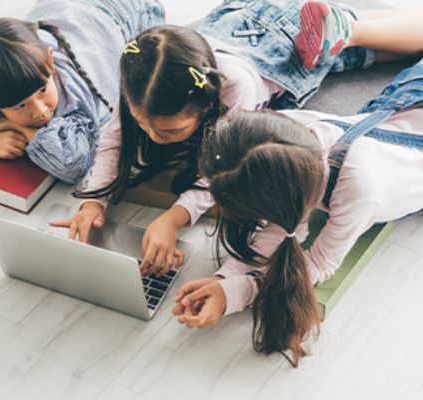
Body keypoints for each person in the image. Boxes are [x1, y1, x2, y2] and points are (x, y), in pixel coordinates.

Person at [53, 0, 423, 273]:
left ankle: (345, 31)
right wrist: (92, 202)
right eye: (143, 123)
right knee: (375, 28)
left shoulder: (238, 89)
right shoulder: (142, 79)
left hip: (285, 42)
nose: (151, 135)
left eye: (169, 131)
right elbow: (113, 139)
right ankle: (348, 25)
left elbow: (221, 168)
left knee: (370, 45)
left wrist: (175, 218)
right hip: (239, 18)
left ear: (204, 104)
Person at [172, 57, 423, 366]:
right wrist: (224, 279)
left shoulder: (360, 189)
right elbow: (281, 228)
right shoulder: (282, 140)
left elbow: (317, 263)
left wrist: (236, 292)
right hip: (401, 104)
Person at [0, 0, 165, 184]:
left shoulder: (74, 93)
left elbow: (73, 165)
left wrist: (12, 125)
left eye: (42, 90)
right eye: (19, 107)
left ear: (50, 62)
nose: (40, 111)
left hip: (126, 10)